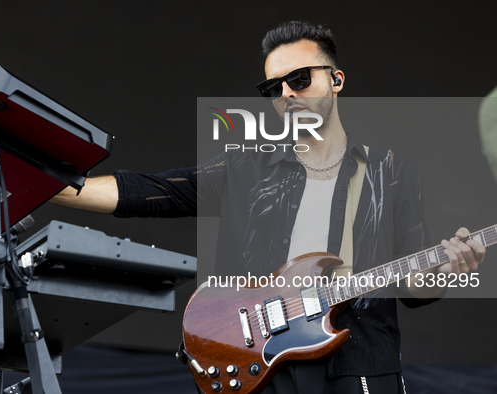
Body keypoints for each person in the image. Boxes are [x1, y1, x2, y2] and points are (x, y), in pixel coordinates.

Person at [52, 21, 485, 394]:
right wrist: (45, 188)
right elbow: (149, 192)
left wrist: (448, 270)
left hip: (360, 366)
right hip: (262, 367)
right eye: (272, 88)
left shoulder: (390, 170)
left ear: (336, 80)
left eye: (299, 79)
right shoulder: (245, 167)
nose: (286, 95)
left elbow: (414, 289)